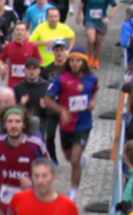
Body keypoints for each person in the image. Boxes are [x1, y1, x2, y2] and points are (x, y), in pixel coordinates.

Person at [42, 46, 98, 201]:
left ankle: (73, 194)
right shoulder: (62, 78)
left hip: (83, 124)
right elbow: (47, 99)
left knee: (74, 160)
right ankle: (78, 157)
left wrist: (92, 102)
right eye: (72, 61)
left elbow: (95, 91)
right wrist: (62, 111)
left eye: (78, 61)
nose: (74, 64)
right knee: (68, 156)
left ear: (84, 62)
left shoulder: (92, 78)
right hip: (66, 125)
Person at [0, 107, 48, 214]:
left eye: (18, 122)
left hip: (28, 200)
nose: (13, 125)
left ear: (24, 125)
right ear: (4, 125)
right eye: (10, 121)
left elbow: (47, 169)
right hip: (3, 201)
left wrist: (33, 183)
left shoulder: (35, 145)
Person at [77, 0, 116, 68]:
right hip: (90, 19)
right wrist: (78, 14)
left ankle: (96, 59)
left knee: (99, 42)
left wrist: (109, 17)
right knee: (91, 39)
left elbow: (115, 6)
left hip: (101, 20)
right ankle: (90, 55)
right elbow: (82, 3)